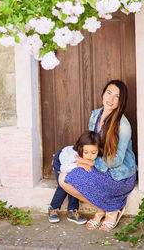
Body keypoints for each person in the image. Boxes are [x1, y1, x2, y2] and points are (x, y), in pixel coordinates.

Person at [59, 80, 137, 231]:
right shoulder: (95, 115)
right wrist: (83, 160)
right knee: (64, 178)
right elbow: (91, 144)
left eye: (117, 96)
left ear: (121, 101)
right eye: (109, 93)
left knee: (67, 177)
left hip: (120, 175)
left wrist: (92, 163)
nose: (111, 99)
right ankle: (104, 209)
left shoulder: (123, 125)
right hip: (101, 166)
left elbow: (118, 159)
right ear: (103, 94)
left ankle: (112, 209)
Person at [48, 131, 103, 224]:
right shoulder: (74, 155)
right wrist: (78, 164)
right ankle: (53, 208)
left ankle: (72, 211)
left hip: (72, 164)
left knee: (75, 183)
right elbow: (64, 168)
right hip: (62, 162)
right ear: (81, 149)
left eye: (94, 152)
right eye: (86, 152)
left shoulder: (97, 158)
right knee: (64, 183)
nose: (90, 156)